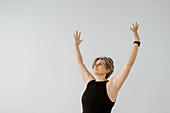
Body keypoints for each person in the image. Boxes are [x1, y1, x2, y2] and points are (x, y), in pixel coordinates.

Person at [73, 22, 141, 113]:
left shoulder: (111, 86)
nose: (96, 65)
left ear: (107, 70)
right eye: (95, 64)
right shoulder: (90, 82)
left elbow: (128, 65)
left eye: (100, 64)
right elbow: (79, 63)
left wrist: (136, 41)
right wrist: (76, 46)